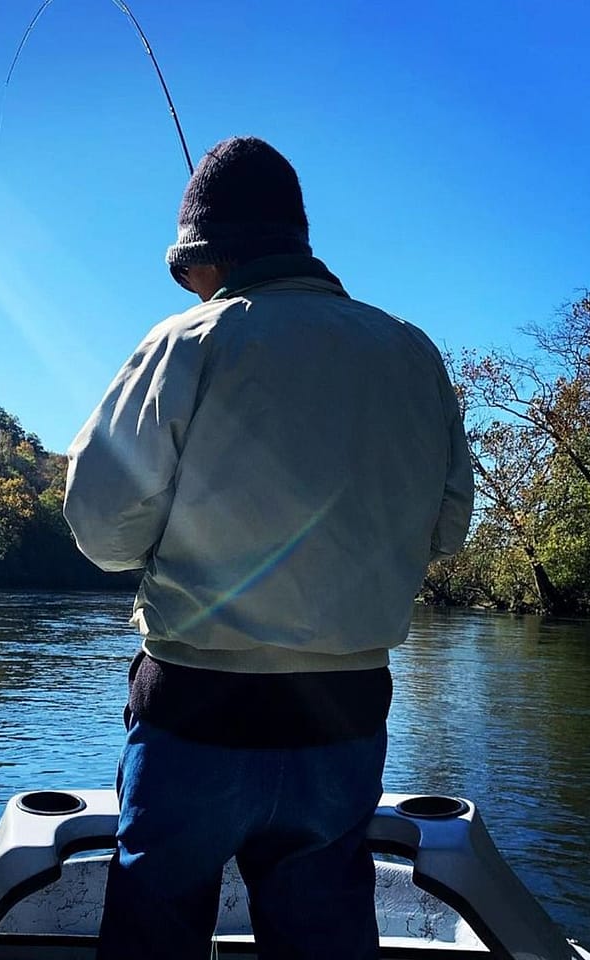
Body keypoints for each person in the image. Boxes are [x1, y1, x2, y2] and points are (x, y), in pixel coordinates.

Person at [63, 136, 474, 960]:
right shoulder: (412, 351)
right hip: (346, 720)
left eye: (190, 273)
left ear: (205, 257)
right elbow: (447, 530)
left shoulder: (184, 342)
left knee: (153, 938)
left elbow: (103, 532)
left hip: (193, 717)